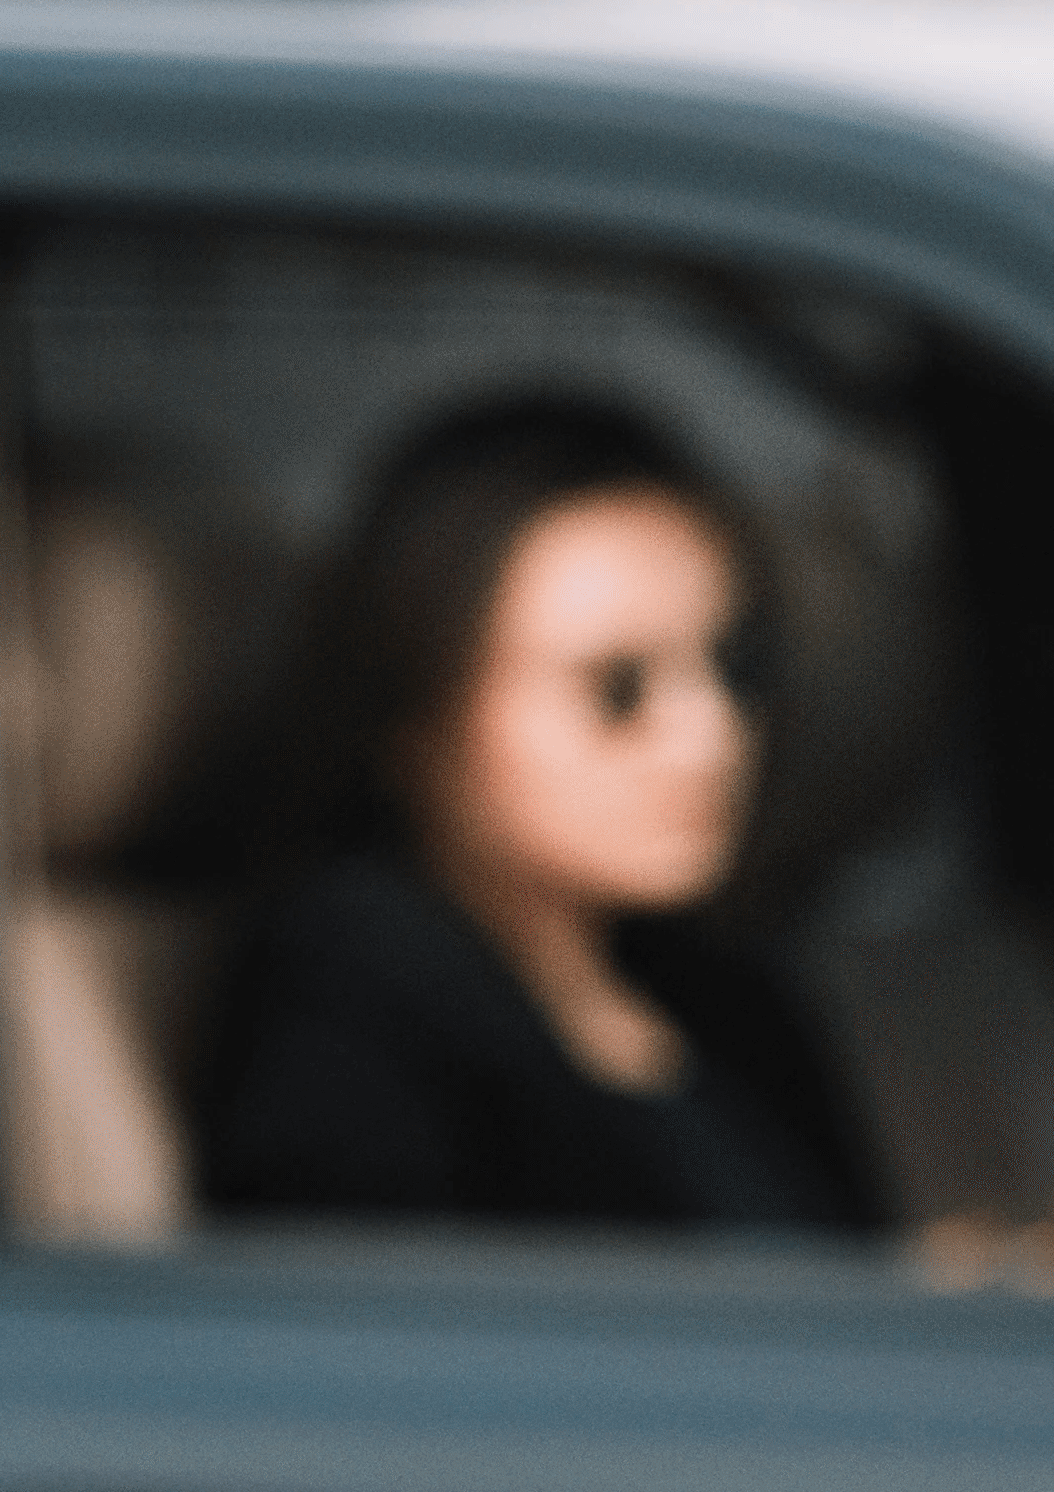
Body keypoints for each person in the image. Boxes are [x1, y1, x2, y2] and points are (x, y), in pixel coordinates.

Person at [191, 394, 892, 1238]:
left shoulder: (723, 990)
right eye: (616, 688)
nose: (712, 737)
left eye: (735, 666)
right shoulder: (342, 1015)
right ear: (419, 717)